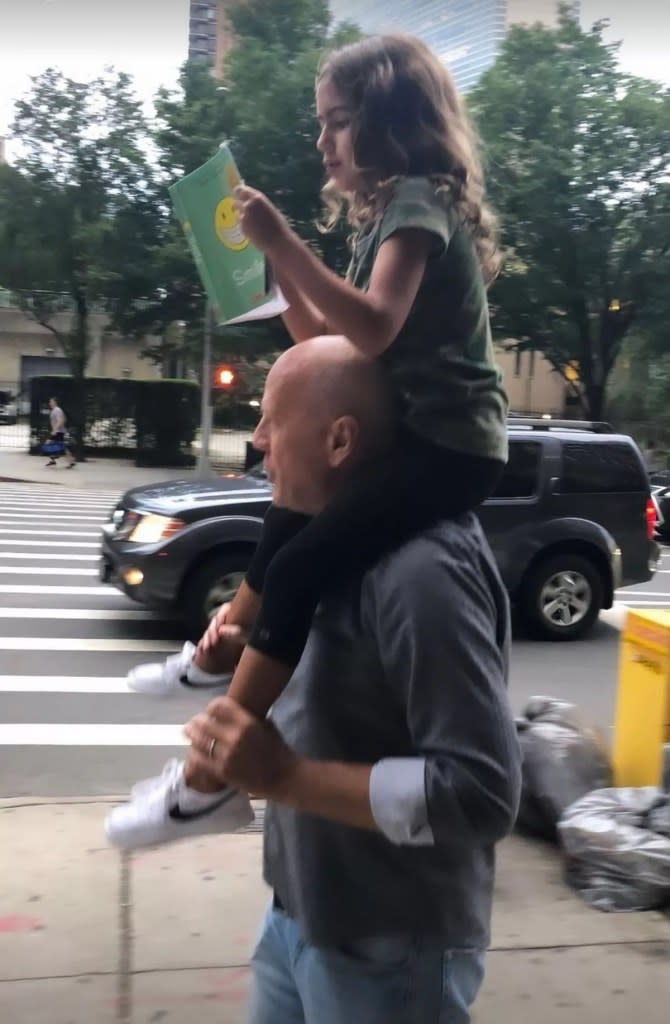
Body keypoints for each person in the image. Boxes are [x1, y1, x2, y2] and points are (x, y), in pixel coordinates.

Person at [106, 33, 508, 846]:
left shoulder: (419, 203)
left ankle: (206, 780)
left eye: (336, 122)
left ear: (390, 123)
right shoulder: (387, 216)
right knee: (287, 515)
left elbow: (373, 324)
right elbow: (326, 339)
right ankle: (214, 654)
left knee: (299, 563)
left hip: (451, 448)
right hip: (413, 433)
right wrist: (266, 275)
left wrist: (285, 243)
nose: (322, 141)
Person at [128, 335, 521, 1023]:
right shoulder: (328, 543)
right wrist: (245, 647)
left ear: (340, 440)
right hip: (301, 911)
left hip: (392, 947)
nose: (257, 442)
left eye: (271, 422)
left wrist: (284, 779)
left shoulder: (422, 572)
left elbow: (483, 794)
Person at [45, 397, 76, 468]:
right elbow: (64, 419)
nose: (50, 403)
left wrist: (55, 430)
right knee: (57, 446)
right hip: (58, 431)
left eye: (51, 401)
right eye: (50, 402)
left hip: (58, 432)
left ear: (55, 402)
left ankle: (57, 459)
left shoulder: (57, 410)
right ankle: (69, 461)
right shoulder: (55, 410)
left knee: (49, 444)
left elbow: (61, 420)